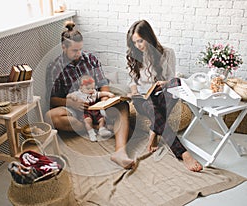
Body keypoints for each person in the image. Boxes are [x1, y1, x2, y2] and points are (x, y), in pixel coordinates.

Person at [45, 21, 134, 169]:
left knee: (123, 105)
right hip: (74, 109)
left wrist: (104, 99)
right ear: (63, 47)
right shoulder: (54, 67)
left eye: (80, 49)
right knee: (50, 117)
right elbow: (52, 99)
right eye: (74, 50)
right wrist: (72, 104)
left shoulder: (90, 59)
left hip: (96, 102)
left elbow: (102, 82)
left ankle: (120, 152)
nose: (78, 54)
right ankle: (99, 126)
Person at [126, 20, 202, 172]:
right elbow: (131, 80)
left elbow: (171, 78)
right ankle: (184, 153)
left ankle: (154, 130)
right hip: (142, 98)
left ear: (149, 37)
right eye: (134, 42)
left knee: (175, 83)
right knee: (150, 106)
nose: (138, 46)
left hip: (161, 94)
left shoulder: (167, 53)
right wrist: (134, 91)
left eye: (140, 41)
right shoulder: (133, 55)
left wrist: (165, 83)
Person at [66, 75, 114, 142]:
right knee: (88, 121)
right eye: (88, 89)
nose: (91, 90)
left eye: (92, 88)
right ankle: (91, 133)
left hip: (95, 110)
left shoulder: (93, 93)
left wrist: (108, 94)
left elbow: (101, 93)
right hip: (86, 111)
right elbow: (69, 95)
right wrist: (72, 97)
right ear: (81, 87)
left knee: (102, 119)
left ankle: (102, 129)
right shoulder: (78, 93)